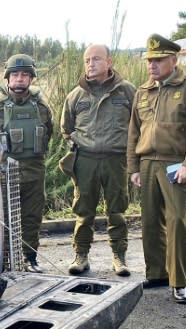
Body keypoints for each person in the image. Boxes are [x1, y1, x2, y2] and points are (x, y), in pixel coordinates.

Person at [126, 34, 186, 304]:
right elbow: (133, 133)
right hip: (148, 163)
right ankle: (157, 273)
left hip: (175, 164)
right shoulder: (143, 90)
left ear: (174, 60)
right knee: (150, 222)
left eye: (158, 60)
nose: (152, 65)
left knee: (176, 222)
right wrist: (134, 167)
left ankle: (179, 281)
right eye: (149, 60)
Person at [61, 44, 136, 277]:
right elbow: (66, 128)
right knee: (84, 211)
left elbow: (139, 124)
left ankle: (119, 257)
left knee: (117, 210)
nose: (90, 64)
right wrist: (78, 145)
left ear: (109, 62)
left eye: (96, 59)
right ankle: (80, 256)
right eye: (87, 60)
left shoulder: (127, 92)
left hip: (116, 160)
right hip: (86, 161)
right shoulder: (75, 96)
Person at [0, 54, 54, 273]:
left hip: (34, 174)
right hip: (2, 176)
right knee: (2, 221)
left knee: (32, 218)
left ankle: (30, 259)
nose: (20, 79)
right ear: (8, 78)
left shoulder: (42, 109)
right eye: (16, 75)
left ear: (31, 79)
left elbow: (49, 135)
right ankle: (5, 262)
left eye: (25, 75)